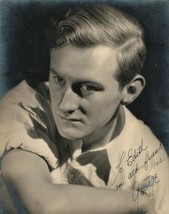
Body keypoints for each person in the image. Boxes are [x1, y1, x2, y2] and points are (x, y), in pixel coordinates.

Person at [0, 4, 169, 214]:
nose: (65, 105)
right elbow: (44, 204)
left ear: (131, 91)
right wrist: (138, 203)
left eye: (88, 88)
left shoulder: (151, 165)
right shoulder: (25, 105)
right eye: (59, 80)